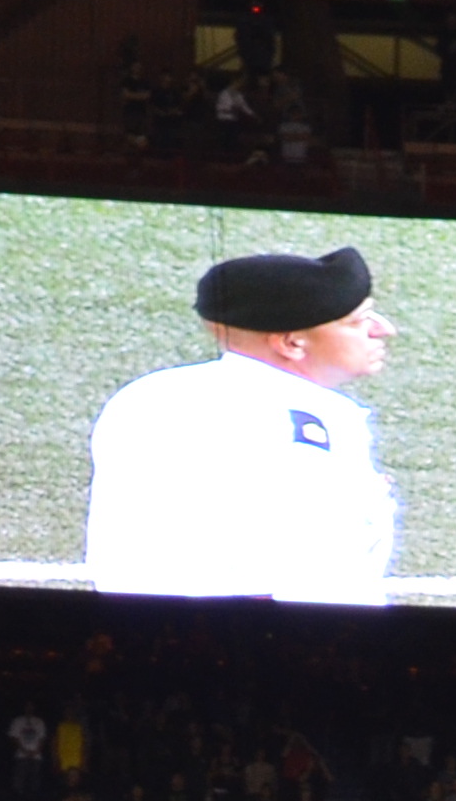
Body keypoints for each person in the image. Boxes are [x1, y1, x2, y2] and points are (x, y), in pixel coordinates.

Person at [84, 246, 401, 603]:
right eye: (358, 321)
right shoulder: (304, 429)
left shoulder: (150, 393)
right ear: (292, 343)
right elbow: (271, 585)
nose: (383, 330)